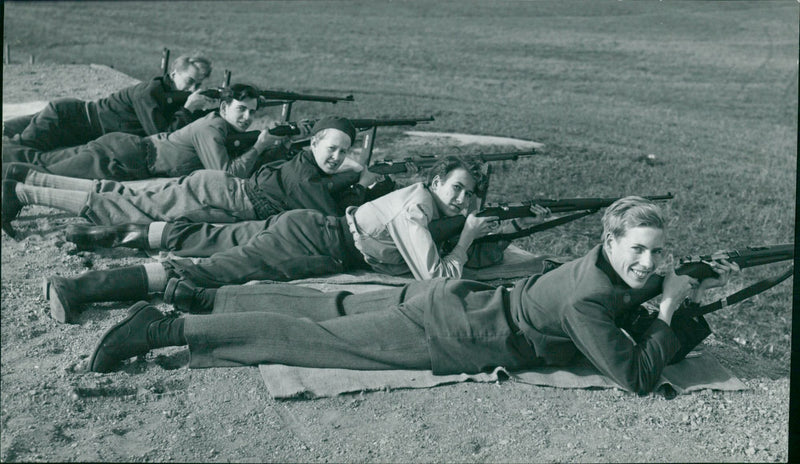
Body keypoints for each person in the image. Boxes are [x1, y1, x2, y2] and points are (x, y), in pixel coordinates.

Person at [86, 196, 739, 395]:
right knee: (319, 340)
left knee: (331, 307)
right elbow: (631, 376)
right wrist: (670, 310)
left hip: (457, 305)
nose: (649, 263)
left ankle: (206, 303)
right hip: (458, 333)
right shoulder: (593, 297)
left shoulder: (601, 262)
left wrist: (669, 281)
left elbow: (634, 284)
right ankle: (164, 329)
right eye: (640, 251)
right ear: (610, 240)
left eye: (659, 252)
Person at [40, 155, 536, 324]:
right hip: (316, 243)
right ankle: (82, 287)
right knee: (215, 269)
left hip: (309, 226)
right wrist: (468, 240)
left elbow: (441, 233)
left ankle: (95, 233)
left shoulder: (424, 201)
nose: (464, 201)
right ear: (435, 181)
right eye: (458, 189)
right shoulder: (416, 210)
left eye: (472, 196)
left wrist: (473, 228)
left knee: (207, 237)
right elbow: (434, 277)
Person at [1, 117, 385, 239]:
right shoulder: (306, 175)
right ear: (315, 141)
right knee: (123, 207)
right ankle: (21, 192)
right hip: (218, 197)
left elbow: (324, 187)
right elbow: (328, 221)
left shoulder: (306, 163)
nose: (337, 157)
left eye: (344, 151)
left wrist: (351, 178)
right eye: (331, 148)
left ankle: (31, 179)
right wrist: (366, 185)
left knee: (120, 192)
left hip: (215, 187)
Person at [2, 84, 287, 180]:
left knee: (42, 162)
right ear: (224, 106)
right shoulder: (211, 128)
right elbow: (226, 174)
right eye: (241, 110)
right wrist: (260, 146)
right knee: (46, 175)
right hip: (126, 158)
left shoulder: (214, 121)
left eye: (252, 112)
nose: (248, 117)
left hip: (124, 148)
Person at [2, 52, 214, 157]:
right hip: (67, 120)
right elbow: (160, 136)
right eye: (189, 82)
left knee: (12, 135)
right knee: (19, 151)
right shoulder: (149, 92)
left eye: (199, 85)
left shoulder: (167, 93)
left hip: (75, 121)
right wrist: (188, 109)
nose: (193, 90)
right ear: (174, 73)